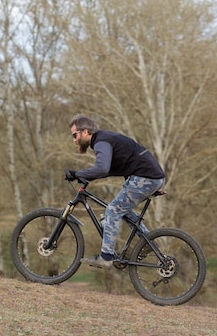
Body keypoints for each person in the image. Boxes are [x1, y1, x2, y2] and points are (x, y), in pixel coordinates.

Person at [65, 114, 165, 269]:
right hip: (150, 177)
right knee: (121, 209)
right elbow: (107, 170)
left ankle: (106, 257)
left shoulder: (101, 141)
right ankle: (147, 242)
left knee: (113, 210)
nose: (74, 140)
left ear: (85, 132)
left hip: (145, 177)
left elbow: (102, 168)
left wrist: (78, 174)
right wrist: (85, 176)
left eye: (74, 135)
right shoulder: (105, 139)